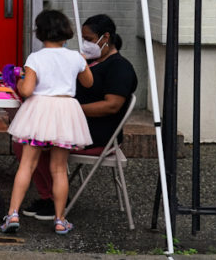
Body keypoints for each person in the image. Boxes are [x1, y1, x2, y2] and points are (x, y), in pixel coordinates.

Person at [18, 13, 139, 223]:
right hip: (70, 123)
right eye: (83, 39)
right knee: (30, 138)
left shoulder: (120, 68)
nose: (85, 44)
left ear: (105, 37)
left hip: (96, 133)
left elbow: (112, 105)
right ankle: (50, 198)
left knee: (33, 143)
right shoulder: (87, 62)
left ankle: (52, 199)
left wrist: (69, 111)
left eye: (89, 39)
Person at [2, 9, 94, 236]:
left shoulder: (35, 58)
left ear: (40, 33)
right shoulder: (76, 57)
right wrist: (81, 64)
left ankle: (13, 214)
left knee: (27, 165)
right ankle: (60, 219)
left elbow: (26, 90)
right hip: (65, 112)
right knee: (59, 169)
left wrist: (20, 79)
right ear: (66, 32)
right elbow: (89, 83)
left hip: (39, 112)